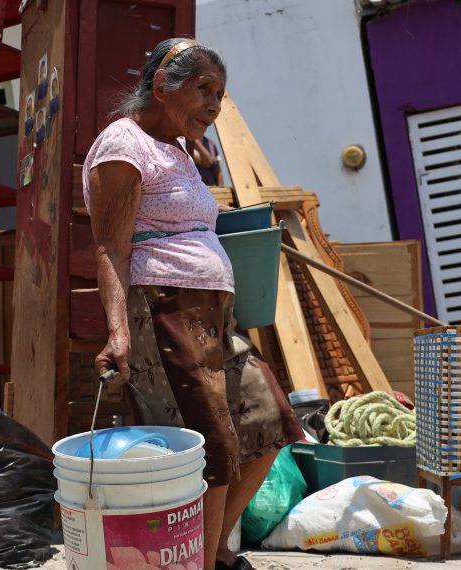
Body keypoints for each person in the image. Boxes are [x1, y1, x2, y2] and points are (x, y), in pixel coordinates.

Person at [82, 37, 303, 570]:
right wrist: (117, 332)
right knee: (213, 451)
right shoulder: (122, 145)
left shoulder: (177, 149)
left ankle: (216, 556)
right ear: (161, 85)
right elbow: (111, 246)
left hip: (211, 315)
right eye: (204, 89)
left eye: (220, 94)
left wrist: (194, 141)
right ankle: (202, 565)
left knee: (272, 422)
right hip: (165, 309)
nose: (214, 104)